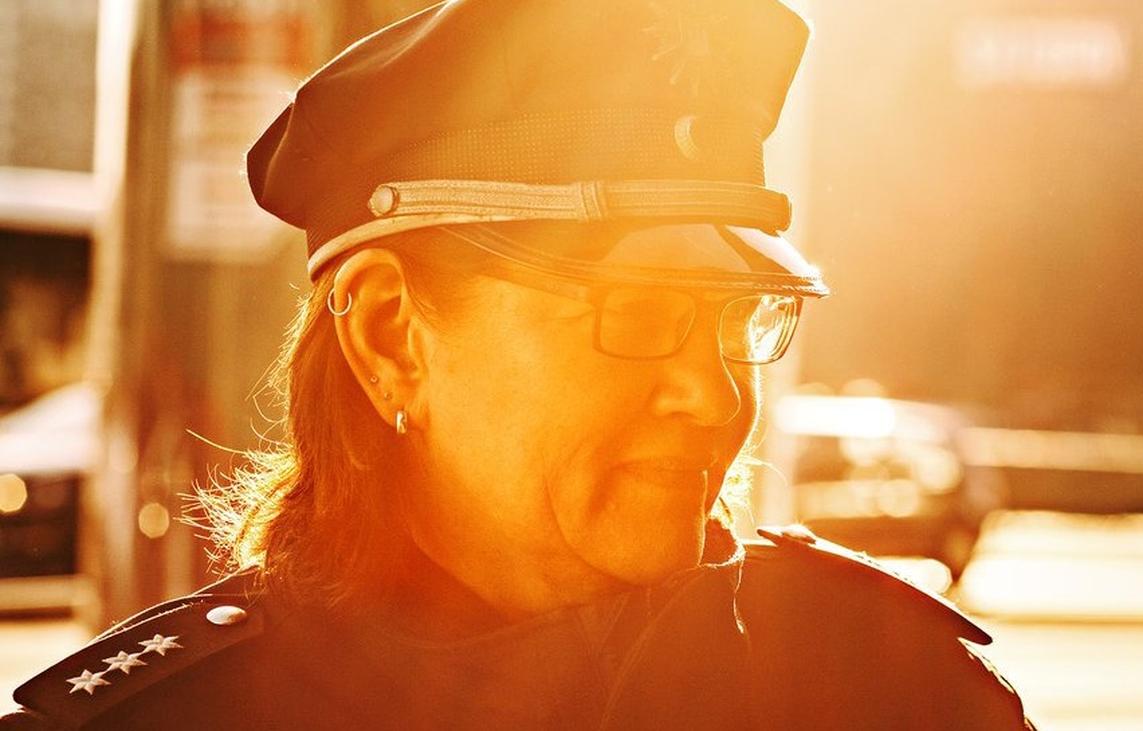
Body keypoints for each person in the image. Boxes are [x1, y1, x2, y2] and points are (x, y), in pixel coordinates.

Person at [5, 0, 1034, 728]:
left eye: (737, 318)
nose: (714, 390)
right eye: (638, 312)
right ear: (390, 335)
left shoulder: (901, 692)